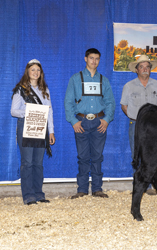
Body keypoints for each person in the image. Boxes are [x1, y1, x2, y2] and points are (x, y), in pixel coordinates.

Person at [65, 48, 116, 199]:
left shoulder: (103, 80)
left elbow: (110, 102)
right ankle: (81, 189)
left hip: (99, 122)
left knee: (98, 156)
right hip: (81, 122)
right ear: (85, 59)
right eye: (91, 58)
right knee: (82, 156)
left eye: (97, 59)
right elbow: (68, 102)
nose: (94, 61)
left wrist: (107, 120)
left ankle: (97, 189)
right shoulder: (76, 79)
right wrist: (74, 121)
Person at [120, 55, 157, 195]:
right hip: (136, 125)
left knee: (153, 155)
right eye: (142, 67)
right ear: (136, 70)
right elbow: (124, 105)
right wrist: (135, 117)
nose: (145, 69)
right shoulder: (129, 86)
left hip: (154, 127)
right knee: (137, 155)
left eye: (147, 67)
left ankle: (151, 186)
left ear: (150, 69)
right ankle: (139, 186)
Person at [11, 59, 56, 205]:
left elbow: (49, 112)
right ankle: (28, 196)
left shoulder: (45, 90)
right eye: (33, 70)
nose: (36, 72)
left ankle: (39, 194)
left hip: (41, 128)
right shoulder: (21, 89)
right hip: (26, 126)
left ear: (41, 73)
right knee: (27, 162)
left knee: (38, 163)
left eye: (38, 70)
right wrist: (29, 112)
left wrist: (51, 131)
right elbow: (13, 111)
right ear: (28, 72)